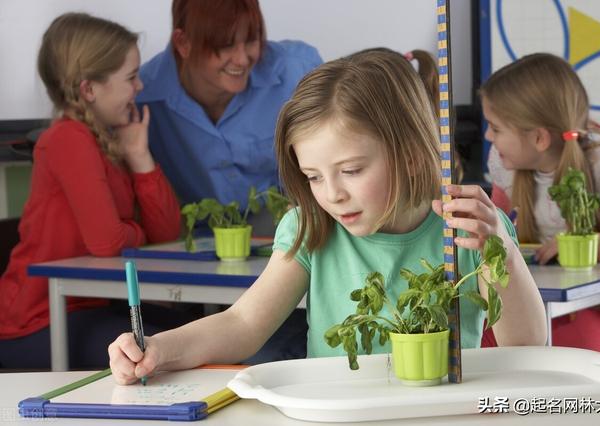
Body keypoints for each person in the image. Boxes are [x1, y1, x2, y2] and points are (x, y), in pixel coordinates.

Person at [108, 49, 547, 384]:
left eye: (352, 171)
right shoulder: (311, 224)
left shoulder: (467, 227)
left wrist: (501, 251)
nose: (332, 194)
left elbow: (529, 348)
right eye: (313, 176)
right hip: (332, 410)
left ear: (413, 155)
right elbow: (243, 324)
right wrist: (157, 350)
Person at [0, 13, 192, 369]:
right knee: (166, 357)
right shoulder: (67, 139)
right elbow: (107, 243)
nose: (139, 88)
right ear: (89, 89)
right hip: (41, 321)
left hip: (91, 306)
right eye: (131, 78)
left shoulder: (107, 141)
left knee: (196, 338)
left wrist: (139, 155)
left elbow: (166, 233)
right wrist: (138, 233)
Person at [480, 52, 600, 354]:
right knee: (490, 344)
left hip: (596, 311)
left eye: (496, 128)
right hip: (532, 303)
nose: (488, 135)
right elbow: (497, 232)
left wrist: (594, 245)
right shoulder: (506, 163)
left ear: (539, 138)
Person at [137, 0, 322, 217]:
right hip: (192, 236)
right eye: (225, 45)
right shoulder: (139, 94)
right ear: (183, 43)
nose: (242, 59)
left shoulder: (299, 70)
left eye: (252, 40)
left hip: (291, 225)